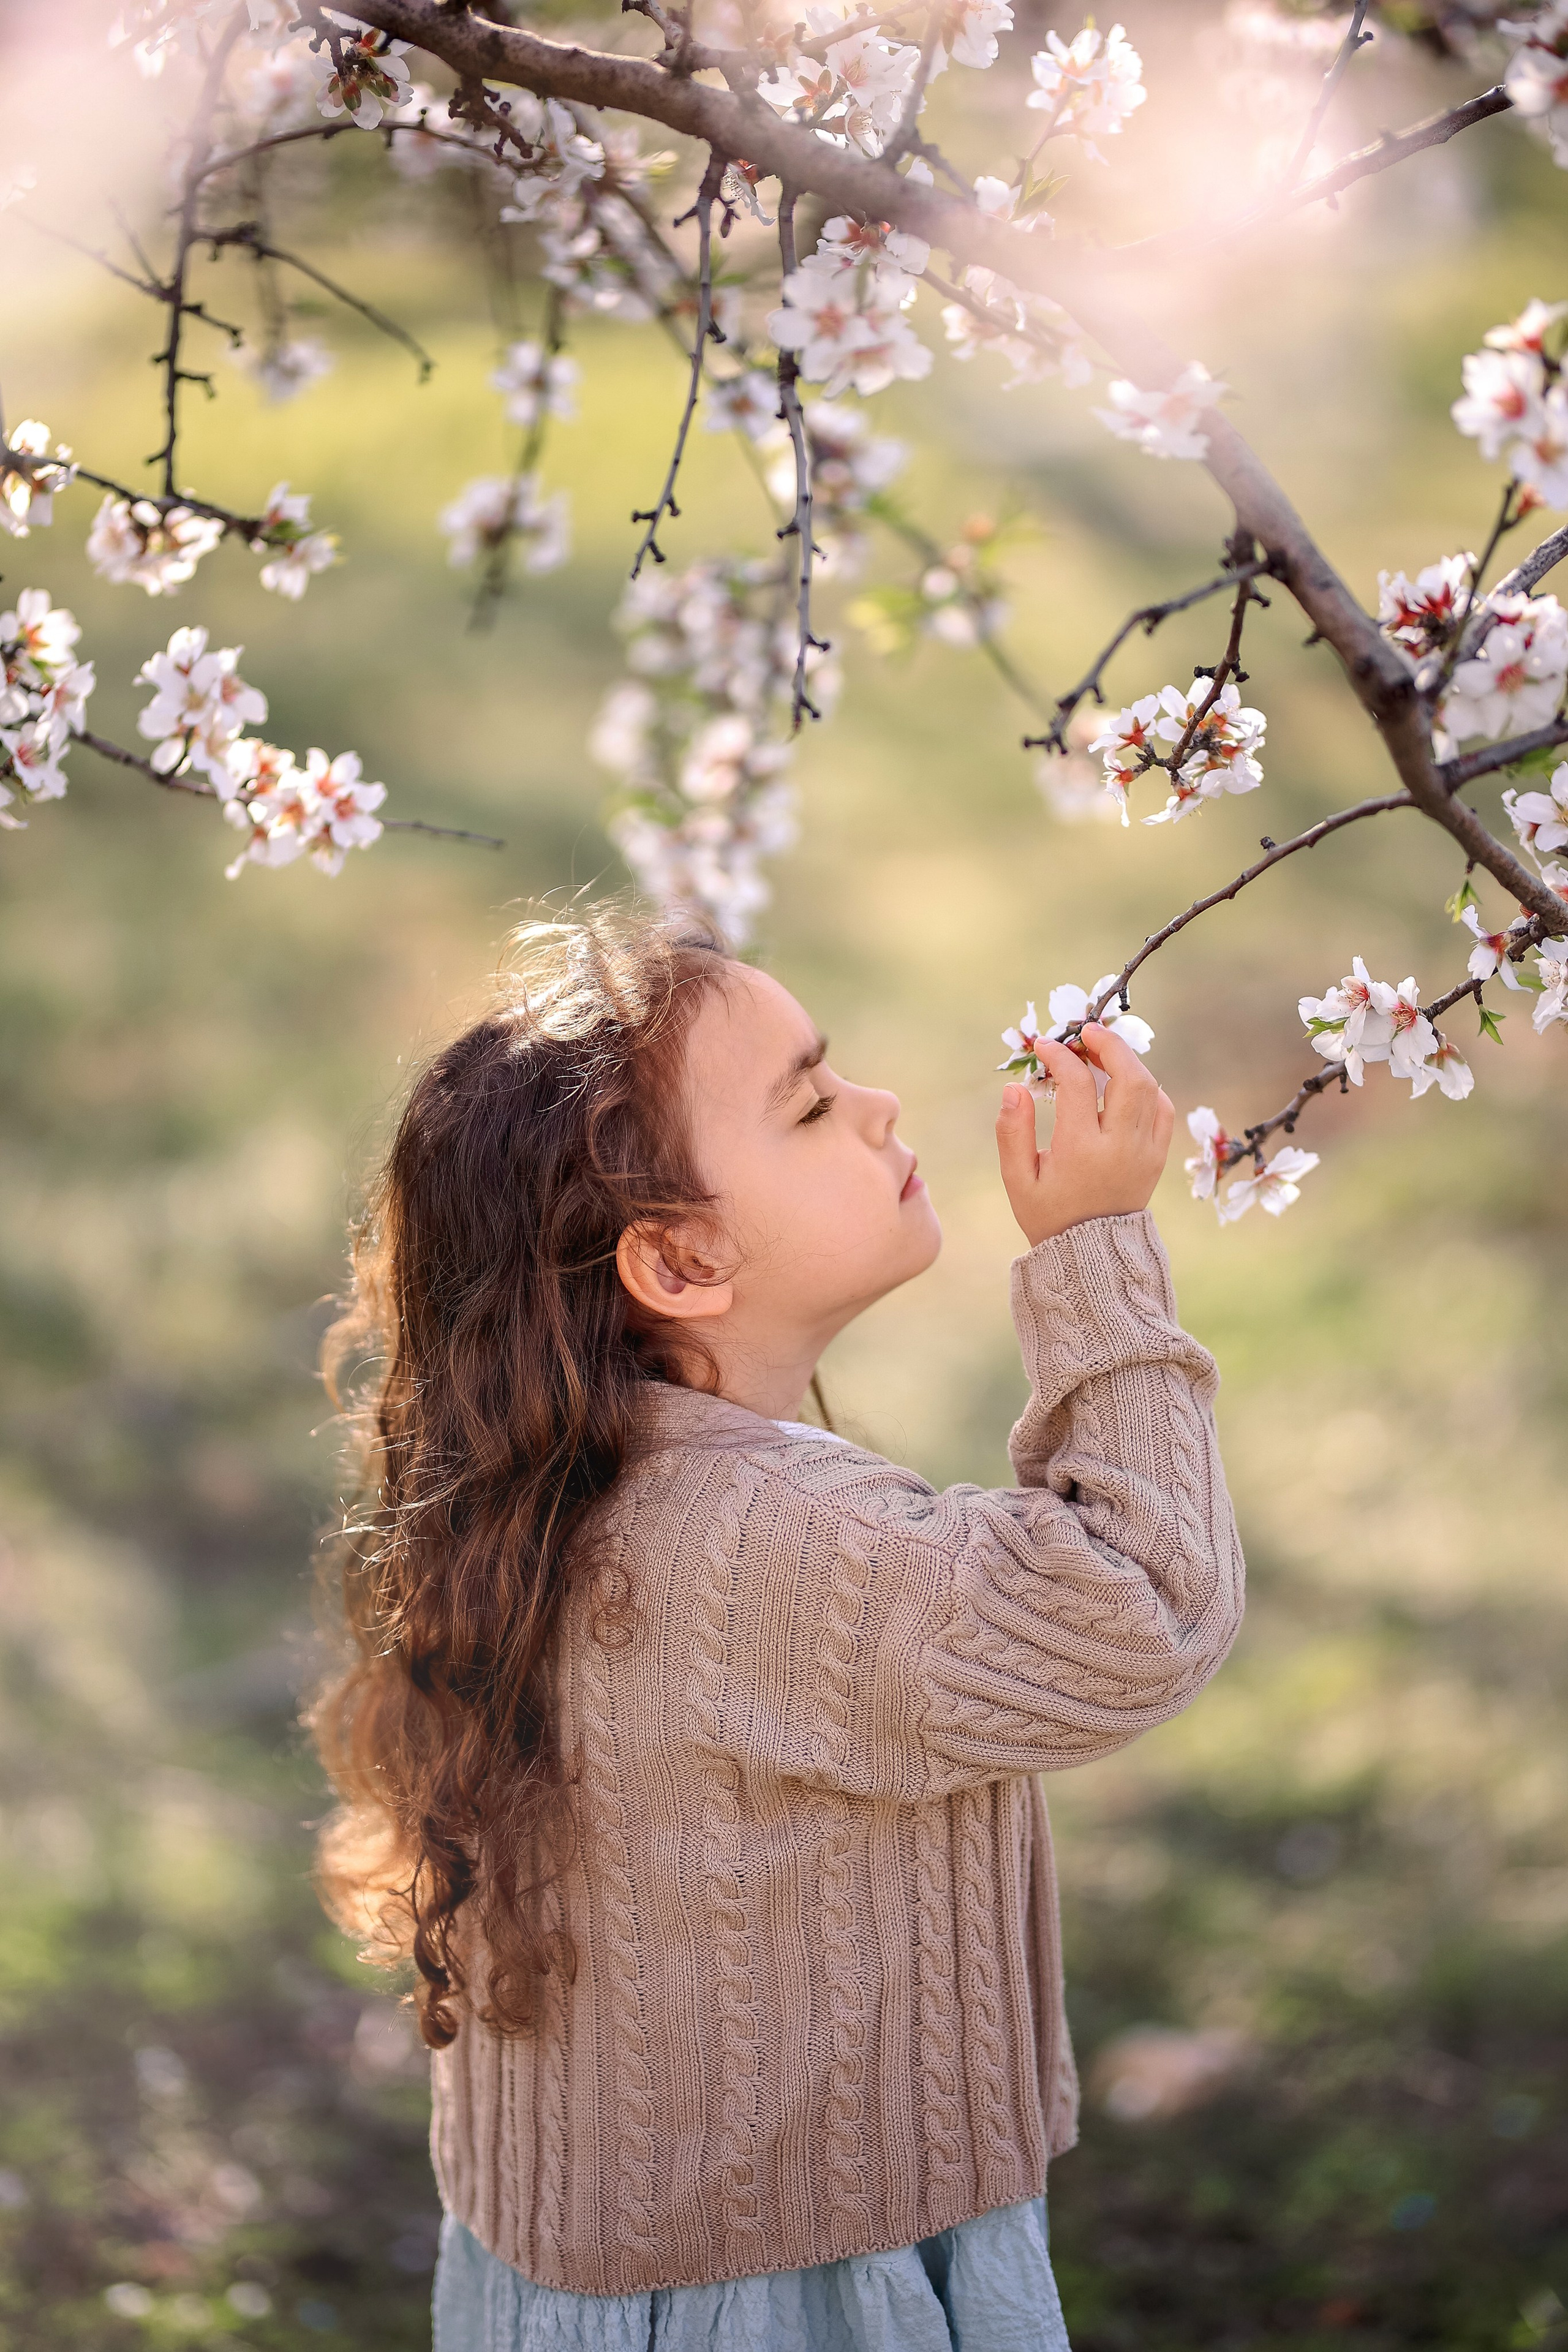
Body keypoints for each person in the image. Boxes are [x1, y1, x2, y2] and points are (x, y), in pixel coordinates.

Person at [310, 906, 1244, 2351]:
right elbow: (1138, 1610)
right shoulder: (781, 1544)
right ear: (676, 1263)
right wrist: (1098, 1250)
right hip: (798, 2282)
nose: (873, 1105)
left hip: (592, 2263)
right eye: (809, 1102)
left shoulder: (539, 1492)